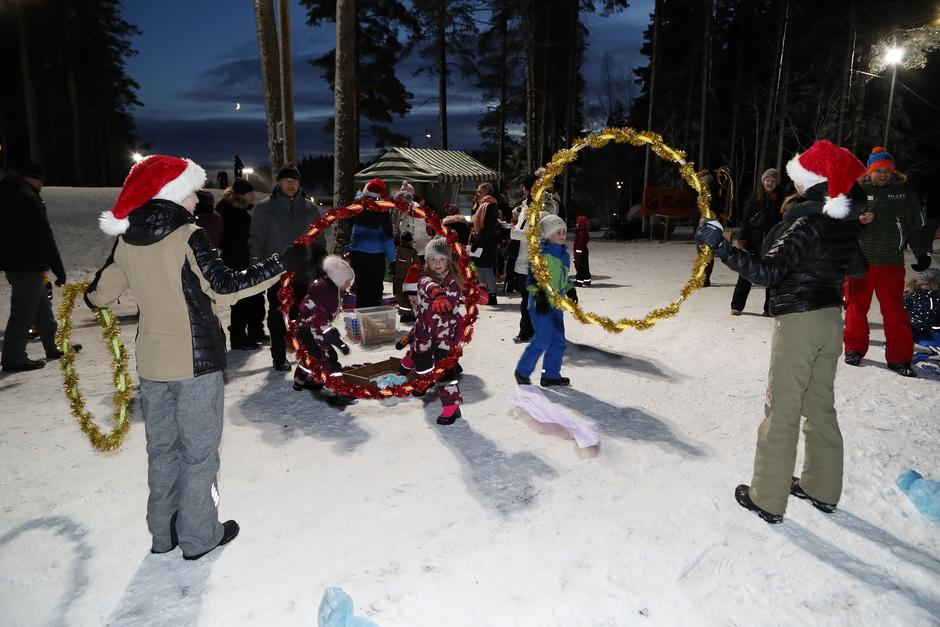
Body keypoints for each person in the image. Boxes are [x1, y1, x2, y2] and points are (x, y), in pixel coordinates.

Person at [84, 154, 307, 559]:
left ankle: (164, 532)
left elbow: (99, 294)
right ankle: (200, 535)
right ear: (171, 194)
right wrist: (281, 264)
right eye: (191, 191)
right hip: (195, 363)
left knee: (163, 450)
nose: (197, 199)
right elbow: (224, 286)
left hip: (153, 365)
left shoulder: (127, 238)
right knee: (199, 454)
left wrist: (91, 292)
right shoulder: (188, 234)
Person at [695, 140, 868, 524]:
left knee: (783, 409)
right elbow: (857, 268)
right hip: (830, 321)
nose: (797, 187)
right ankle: (822, 487)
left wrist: (719, 247)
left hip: (801, 324)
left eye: (800, 180)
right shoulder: (840, 220)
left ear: (813, 180)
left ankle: (768, 497)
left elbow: (767, 272)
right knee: (819, 405)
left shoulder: (807, 223)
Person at [844, 147, 932, 377]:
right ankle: (853, 348)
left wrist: (923, 253)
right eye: (878, 170)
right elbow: (839, 221)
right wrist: (858, 220)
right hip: (859, 262)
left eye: (887, 171)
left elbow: (917, 226)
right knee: (855, 308)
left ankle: (899, 357)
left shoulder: (904, 194)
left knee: (895, 313)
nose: (883, 175)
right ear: (869, 171)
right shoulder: (857, 190)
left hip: (890, 262)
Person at [1, 161, 82, 372]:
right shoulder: (26, 198)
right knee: (23, 312)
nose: (42, 186)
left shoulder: (9, 194)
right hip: (27, 263)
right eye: (41, 181)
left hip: (16, 263)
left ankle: (52, 347)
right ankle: (13, 358)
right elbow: (44, 236)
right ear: (32, 179)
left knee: (40, 308)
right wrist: (59, 269)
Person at [249, 164, 326, 371]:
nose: (291, 184)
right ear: (279, 182)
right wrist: (257, 267)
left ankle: (307, 354)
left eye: (295, 181)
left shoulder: (311, 209)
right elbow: (256, 241)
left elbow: (319, 242)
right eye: (287, 180)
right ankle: (279, 357)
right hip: (277, 275)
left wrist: (321, 267)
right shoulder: (264, 208)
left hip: (305, 273)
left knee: (305, 318)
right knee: (277, 318)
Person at [514, 215, 577, 387]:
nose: (563, 235)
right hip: (540, 304)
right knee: (543, 339)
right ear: (548, 235)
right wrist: (539, 295)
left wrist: (570, 288)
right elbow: (532, 280)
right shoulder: (541, 255)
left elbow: (562, 278)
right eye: (558, 232)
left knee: (558, 341)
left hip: (557, 303)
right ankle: (522, 371)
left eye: (564, 231)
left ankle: (550, 375)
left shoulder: (563, 253)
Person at [411, 238, 466, 425]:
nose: (437, 264)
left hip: (445, 336)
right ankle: (424, 381)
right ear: (427, 261)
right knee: (422, 362)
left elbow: (458, 305)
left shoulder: (454, 283)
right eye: (432, 260)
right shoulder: (423, 279)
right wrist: (436, 293)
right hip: (423, 332)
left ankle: (452, 405)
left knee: (445, 369)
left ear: (448, 261)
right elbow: (428, 285)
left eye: (441, 259)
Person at [292, 255, 356, 406]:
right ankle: (335, 390)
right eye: (347, 282)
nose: (348, 285)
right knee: (329, 358)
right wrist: (339, 343)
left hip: (305, 327)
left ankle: (300, 379)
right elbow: (322, 325)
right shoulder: (328, 296)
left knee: (312, 355)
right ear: (339, 280)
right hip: (312, 329)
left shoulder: (325, 287)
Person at [217, 178, 267, 350]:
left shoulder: (240, 211)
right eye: (250, 194)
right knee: (241, 302)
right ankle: (238, 338)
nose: (253, 197)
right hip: (236, 263)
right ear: (240, 195)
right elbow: (226, 240)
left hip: (248, 260)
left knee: (256, 298)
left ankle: (255, 331)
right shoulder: (227, 211)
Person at [730, 168, 784, 315]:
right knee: (745, 274)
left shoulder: (781, 200)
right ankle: (736, 306)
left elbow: (784, 222)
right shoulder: (754, 198)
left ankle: (769, 309)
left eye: (773, 181)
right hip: (753, 242)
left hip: (772, 243)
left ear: (776, 183)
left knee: (771, 277)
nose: (770, 183)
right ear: (763, 181)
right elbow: (745, 221)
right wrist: (741, 237)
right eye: (768, 180)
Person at [348, 178, 396, 309]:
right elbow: (387, 238)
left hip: (356, 253)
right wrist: (393, 259)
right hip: (375, 256)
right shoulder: (382, 211)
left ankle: (362, 315)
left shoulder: (356, 206)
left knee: (361, 286)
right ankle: (374, 316)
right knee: (375, 289)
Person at [508, 174, 539, 343]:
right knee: (526, 298)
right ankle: (529, 330)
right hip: (523, 258)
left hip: (530, 260)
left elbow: (535, 234)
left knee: (528, 300)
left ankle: (527, 332)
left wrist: (512, 232)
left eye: (524, 186)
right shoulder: (527, 206)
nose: (522, 189)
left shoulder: (537, 207)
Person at [470, 182, 502, 305]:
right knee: (482, 268)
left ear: (486, 192)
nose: (477, 194)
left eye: (479, 191)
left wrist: (479, 242)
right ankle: (488, 294)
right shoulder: (482, 205)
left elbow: (487, 227)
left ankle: (491, 295)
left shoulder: (489, 206)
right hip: (484, 242)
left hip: (486, 243)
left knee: (485, 269)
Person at [903, 267, 940, 347]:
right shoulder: (912, 295)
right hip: (914, 328)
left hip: (931, 329)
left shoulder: (937, 296)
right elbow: (901, 311)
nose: (937, 286)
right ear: (927, 284)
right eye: (935, 284)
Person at [573, 215, 592, 287]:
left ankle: (579, 281)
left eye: (577, 223)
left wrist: (577, 253)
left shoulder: (582, 233)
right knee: (584, 266)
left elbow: (579, 244)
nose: (576, 224)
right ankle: (587, 279)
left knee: (580, 266)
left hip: (581, 252)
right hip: (582, 251)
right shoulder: (581, 232)